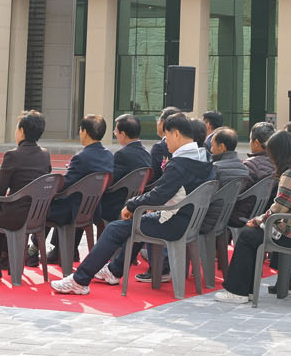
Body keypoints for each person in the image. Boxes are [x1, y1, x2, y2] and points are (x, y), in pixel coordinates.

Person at [52, 115, 211, 293]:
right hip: (190, 221)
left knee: (115, 228)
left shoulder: (180, 164)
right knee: (137, 222)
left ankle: (79, 280)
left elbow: (158, 195)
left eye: (166, 136)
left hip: (173, 223)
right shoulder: (204, 157)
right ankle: (114, 270)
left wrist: (131, 204)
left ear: (176, 134)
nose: (165, 141)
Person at [217, 130, 291, 301]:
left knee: (247, 236)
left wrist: (257, 220)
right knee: (252, 235)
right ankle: (247, 290)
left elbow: (279, 209)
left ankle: (238, 291)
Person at [0, 112, 54, 279]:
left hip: (16, 216)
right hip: (38, 215)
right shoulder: (45, 155)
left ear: (22, 131)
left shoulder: (13, 155)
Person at [44, 115, 116, 260]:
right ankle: (68, 250)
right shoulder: (108, 155)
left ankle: (34, 248)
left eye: (80, 130)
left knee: (45, 204)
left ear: (85, 132)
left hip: (73, 209)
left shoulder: (81, 157)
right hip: (93, 208)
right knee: (75, 199)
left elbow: (65, 185)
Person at [101, 115, 151, 224]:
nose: (115, 134)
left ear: (123, 134)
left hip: (118, 206)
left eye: (116, 131)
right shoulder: (147, 154)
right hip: (139, 205)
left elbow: (111, 181)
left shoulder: (121, 155)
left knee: (89, 203)